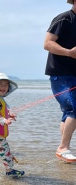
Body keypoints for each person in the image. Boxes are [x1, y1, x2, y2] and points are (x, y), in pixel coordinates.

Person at [44, 0, 76, 163]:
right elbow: (47, 43)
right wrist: (69, 53)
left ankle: (64, 152)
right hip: (60, 74)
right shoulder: (64, 19)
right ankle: (63, 147)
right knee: (74, 108)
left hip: (74, 75)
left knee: (68, 112)